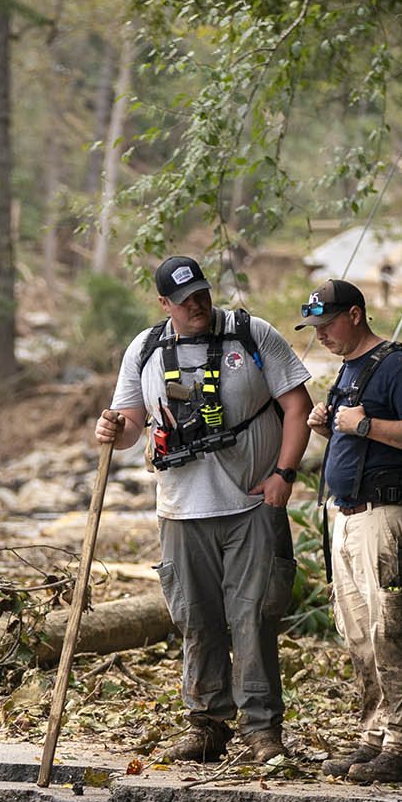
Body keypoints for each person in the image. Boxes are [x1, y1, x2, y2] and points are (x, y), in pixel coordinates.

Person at [94, 255, 313, 763]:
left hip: (252, 503)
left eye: (202, 293)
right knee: (196, 618)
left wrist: (284, 474)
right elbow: (130, 425)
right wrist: (112, 431)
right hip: (180, 508)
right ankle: (208, 724)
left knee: (254, 616)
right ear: (163, 303)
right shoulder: (145, 349)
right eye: (185, 298)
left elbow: (298, 407)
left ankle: (262, 730)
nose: (197, 304)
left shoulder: (252, 334)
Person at [301, 278, 402, 783]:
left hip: (391, 515)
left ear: (356, 315)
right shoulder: (350, 370)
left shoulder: (399, 366)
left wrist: (364, 426)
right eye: (314, 327)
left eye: (328, 323)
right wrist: (329, 425)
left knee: (391, 627)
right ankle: (374, 736)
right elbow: (357, 432)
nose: (321, 334)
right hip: (350, 514)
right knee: (358, 630)